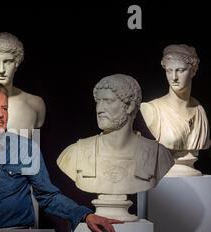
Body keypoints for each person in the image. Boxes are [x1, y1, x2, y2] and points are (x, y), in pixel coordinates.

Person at [0, 81, 120, 232]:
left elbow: (48, 196)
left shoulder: (26, 148)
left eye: (4, 108)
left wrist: (84, 214)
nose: (0, 114)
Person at [57, 74, 174, 221]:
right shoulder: (75, 153)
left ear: (130, 106)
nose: (99, 109)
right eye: (98, 102)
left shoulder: (157, 155)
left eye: (108, 101)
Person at [140, 44, 210, 176]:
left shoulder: (200, 110)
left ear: (193, 71)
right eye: (169, 71)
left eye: (180, 70)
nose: (174, 77)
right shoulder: (151, 109)